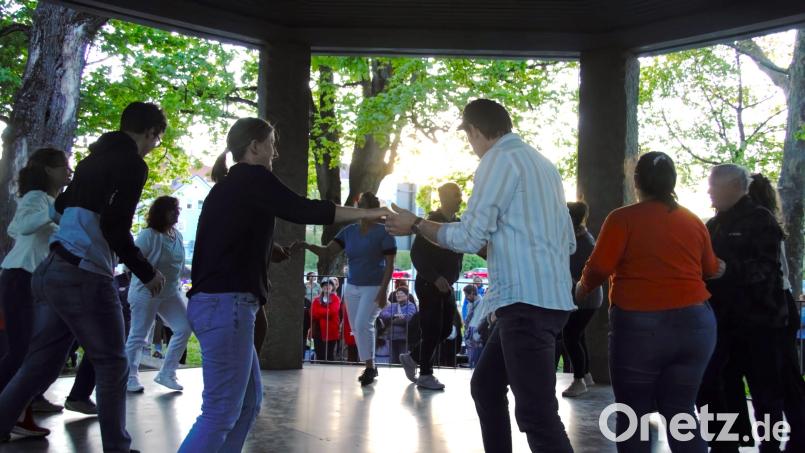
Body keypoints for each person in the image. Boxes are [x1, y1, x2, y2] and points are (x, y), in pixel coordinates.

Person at [178, 118, 388, 452]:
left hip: (222, 305)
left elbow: (229, 237)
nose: (275, 152)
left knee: (247, 404)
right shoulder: (253, 177)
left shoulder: (230, 186)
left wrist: (268, 248)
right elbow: (304, 209)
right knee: (220, 413)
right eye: (272, 144)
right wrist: (366, 214)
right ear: (254, 147)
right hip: (227, 306)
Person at [386, 99, 576, 453]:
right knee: (486, 387)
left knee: (537, 415)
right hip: (548, 300)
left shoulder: (497, 160)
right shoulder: (544, 165)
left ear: (474, 130)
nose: (471, 145)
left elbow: (470, 237)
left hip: (524, 305)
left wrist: (416, 224)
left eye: (468, 136)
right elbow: (568, 241)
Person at [0, 102, 168, 453]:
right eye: (157, 139)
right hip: (85, 274)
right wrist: (146, 271)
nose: (155, 146)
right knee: (113, 363)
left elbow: (61, 207)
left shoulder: (92, 161)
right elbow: (115, 226)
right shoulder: (132, 164)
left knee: (38, 362)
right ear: (150, 133)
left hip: (51, 270)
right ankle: (117, 448)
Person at [575, 152, 723, 452]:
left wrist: (582, 288)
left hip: (640, 325)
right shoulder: (692, 220)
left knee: (634, 414)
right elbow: (710, 268)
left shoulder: (623, 219)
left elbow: (600, 267)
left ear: (637, 181)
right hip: (696, 324)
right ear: (672, 182)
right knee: (681, 412)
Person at [697, 164, 789, 453]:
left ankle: (770, 446)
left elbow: (768, 269)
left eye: (714, 186)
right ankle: (725, 444)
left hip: (759, 323)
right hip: (722, 322)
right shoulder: (713, 225)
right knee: (716, 383)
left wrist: (730, 270)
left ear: (734, 187)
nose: (709, 191)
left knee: (765, 392)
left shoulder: (761, 220)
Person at [0, 148, 71, 438]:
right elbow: (19, 226)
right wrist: (52, 214)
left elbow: (21, 231)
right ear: (48, 170)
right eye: (64, 166)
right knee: (21, 351)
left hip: (33, 280)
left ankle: (20, 411)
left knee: (30, 351)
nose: (69, 171)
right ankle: (11, 412)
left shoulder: (49, 202)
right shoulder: (37, 198)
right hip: (20, 276)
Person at [302, 192, 396, 386]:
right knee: (356, 327)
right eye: (359, 206)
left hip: (374, 286)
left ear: (373, 209)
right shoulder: (349, 231)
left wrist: (383, 291)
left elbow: (390, 265)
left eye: (364, 206)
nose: (360, 209)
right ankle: (371, 365)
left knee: (363, 324)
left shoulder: (384, 232)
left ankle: (369, 367)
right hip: (352, 286)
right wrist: (306, 245)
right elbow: (328, 251)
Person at [746, 172, 804, 452]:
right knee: (787, 374)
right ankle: (797, 433)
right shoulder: (770, 224)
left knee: (772, 378)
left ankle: (775, 438)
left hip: (772, 304)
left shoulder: (756, 226)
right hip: (784, 301)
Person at [399, 182, 465, 389]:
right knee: (432, 329)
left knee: (446, 329)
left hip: (446, 286)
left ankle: (413, 358)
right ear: (443, 197)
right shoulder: (430, 223)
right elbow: (416, 254)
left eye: (460, 195)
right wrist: (435, 278)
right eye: (456, 195)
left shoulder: (459, 224)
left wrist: (451, 277)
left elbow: (459, 254)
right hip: (429, 284)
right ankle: (426, 374)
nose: (460, 199)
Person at [124, 196, 191, 393]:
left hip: (170, 293)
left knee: (184, 328)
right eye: (172, 210)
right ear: (161, 212)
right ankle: (129, 377)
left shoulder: (177, 236)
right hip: (146, 293)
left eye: (178, 210)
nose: (177, 213)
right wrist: (148, 276)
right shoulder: (148, 235)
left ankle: (167, 373)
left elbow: (178, 267)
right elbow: (131, 262)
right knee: (139, 335)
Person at [561, 201, 603, 398]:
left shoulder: (582, 243)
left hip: (584, 296)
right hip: (588, 297)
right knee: (578, 335)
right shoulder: (583, 237)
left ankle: (579, 380)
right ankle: (585, 375)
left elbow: (576, 273)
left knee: (570, 335)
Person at [379, 287, 418, 365]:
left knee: (403, 360)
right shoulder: (392, 305)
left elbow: (409, 317)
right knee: (392, 360)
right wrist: (395, 316)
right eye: (397, 293)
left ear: (407, 295)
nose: (398, 295)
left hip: (404, 337)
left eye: (401, 293)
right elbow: (383, 314)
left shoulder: (411, 306)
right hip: (391, 336)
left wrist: (392, 320)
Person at [311, 279, 341, 362]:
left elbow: (333, 311)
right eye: (324, 285)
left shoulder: (336, 299)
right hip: (318, 331)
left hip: (331, 330)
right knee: (319, 354)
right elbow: (314, 313)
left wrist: (321, 312)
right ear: (322, 287)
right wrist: (327, 311)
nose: (327, 287)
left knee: (329, 354)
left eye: (329, 285)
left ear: (332, 287)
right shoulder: (316, 300)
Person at [462, 284, 487, 369]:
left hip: (476, 330)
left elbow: (482, 318)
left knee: (477, 358)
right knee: (471, 358)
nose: (466, 298)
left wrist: (478, 331)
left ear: (472, 293)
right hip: (469, 331)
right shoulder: (470, 304)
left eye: (467, 295)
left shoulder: (483, 303)